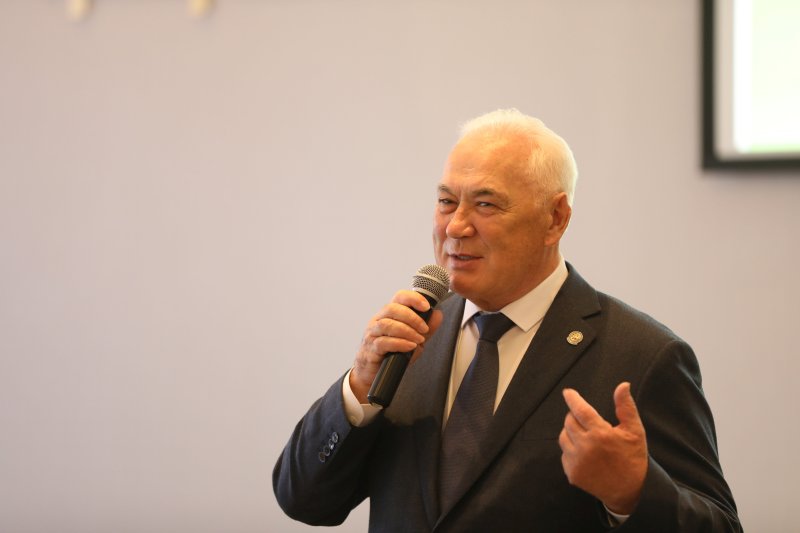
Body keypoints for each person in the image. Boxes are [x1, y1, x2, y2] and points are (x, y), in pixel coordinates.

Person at [273, 109, 741, 532]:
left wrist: (632, 494)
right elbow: (303, 500)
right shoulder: (411, 335)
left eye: (486, 204)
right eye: (446, 201)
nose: (456, 226)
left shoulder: (643, 355)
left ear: (555, 219)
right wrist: (358, 390)